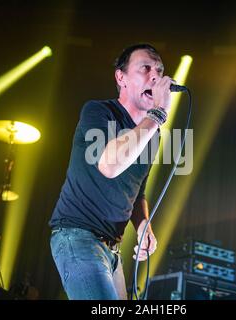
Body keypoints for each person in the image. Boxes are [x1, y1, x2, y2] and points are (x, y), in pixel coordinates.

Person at [49, 44, 175, 299]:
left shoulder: (153, 134)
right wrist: (158, 113)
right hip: (77, 237)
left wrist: (143, 227)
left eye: (159, 70)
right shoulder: (98, 112)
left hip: (112, 250)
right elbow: (109, 165)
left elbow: (137, 192)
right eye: (146, 68)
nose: (155, 75)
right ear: (121, 77)